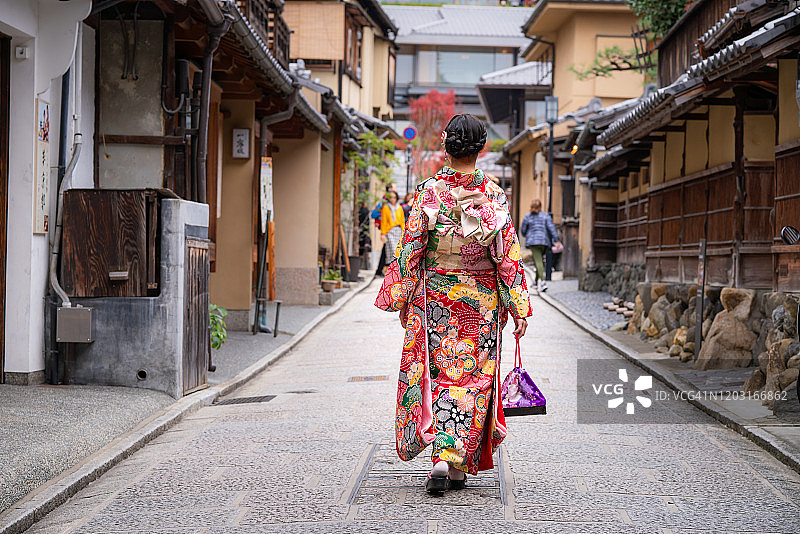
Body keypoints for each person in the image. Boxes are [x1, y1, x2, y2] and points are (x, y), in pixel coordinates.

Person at [375, 113, 531, 495]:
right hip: (480, 302)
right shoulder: (493, 194)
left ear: (445, 145)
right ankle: (454, 458)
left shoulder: (428, 192)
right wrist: (518, 305)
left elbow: (411, 247)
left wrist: (401, 295)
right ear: (483, 148)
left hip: (435, 299)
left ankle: (442, 459)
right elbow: (506, 253)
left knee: (436, 373)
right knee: (473, 378)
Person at [519, 199, 560, 293]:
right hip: (544, 241)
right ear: (540, 207)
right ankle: (535, 282)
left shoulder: (528, 216)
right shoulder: (545, 216)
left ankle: (543, 282)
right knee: (539, 261)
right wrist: (556, 240)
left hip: (533, 242)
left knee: (538, 262)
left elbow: (523, 229)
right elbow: (551, 228)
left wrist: (526, 235)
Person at [373, 184, 397, 276]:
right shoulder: (385, 202)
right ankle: (385, 270)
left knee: (386, 250)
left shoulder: (391, 202)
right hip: (388, 230)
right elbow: (375, 215)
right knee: (390, 250)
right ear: (390, 189)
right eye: (394, 188)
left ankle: (380, 270)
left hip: (392, 230)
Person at [380, 191, 405, 265]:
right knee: (392, 250)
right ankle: (392, 267)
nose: (393, 199)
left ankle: (395, 269)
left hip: (398, 231)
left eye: (394, 197)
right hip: (390, 231)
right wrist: (383, 233)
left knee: (398, 250)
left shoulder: (399, 208)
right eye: (391, 197)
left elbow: (402, 221)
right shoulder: (385, 208)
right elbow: (384, 221)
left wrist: (404, 232)